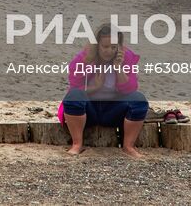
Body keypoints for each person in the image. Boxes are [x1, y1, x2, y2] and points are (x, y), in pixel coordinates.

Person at [60, 24, 150, 158]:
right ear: (97, 45)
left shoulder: (127, 57)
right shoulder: (83, 58)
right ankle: (77, 144)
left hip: (113, 110)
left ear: (119, 46)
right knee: (73, 97)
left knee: (139, 100)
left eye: (113, 47)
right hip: (88, 111)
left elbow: (131, 89)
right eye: (105, 47)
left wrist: (118, 68)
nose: (109, 51)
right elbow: (74, 87)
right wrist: (95, 87)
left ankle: (128, 146)